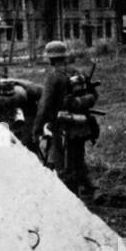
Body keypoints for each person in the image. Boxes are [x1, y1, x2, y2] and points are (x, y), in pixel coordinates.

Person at [29, 41, 99, 201]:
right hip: (82, 125)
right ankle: (91, 191)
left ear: (50, 59)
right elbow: (94, 95)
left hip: (63, 128)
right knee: (78, 160)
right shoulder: (78, 73)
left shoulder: (53, 77)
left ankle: (72, 199)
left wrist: (37, 128)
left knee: (63, 166)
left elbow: (44, 106)